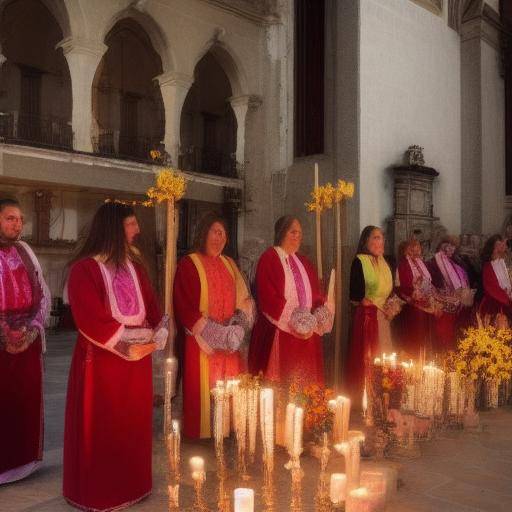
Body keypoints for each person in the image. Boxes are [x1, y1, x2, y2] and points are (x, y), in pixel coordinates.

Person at [63, 202, 168, 511]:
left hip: (137, 365)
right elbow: (89, 317)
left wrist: (160, 329)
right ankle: (101, 492)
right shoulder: (85, 269)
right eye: (131, 224)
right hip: (103, 361)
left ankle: (133, 483)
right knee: (104, 428)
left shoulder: (136, 268)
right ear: (114, 228)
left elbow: (152, 307)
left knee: (132, 425)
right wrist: (126, 342)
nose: (137, 230)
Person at [173, 212, 254, 439]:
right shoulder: (189, 263)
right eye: (214, 232)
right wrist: (215, 333)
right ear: (203, 233)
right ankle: (203, 434)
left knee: (230, 388)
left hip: (229, 343)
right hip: (201, 342)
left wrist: (237, 328)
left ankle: (227, 429)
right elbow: (183, 304)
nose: (219, 237)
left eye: (223, 233)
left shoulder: (229, 264)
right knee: (203, 390)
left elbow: (244, 299)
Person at [248, 215, 333, 387]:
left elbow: (316, 295)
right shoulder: (270, 257)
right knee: (282, 385)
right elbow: (267, 295)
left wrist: (319, 311)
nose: (297, 236)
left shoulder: (303, 262)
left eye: (300, 233)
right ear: (281, 232)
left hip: (307, 334)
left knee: (305, 386)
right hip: (280, 330)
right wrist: (295, 322)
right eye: (293, 232)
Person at [0, 198, 50, 485]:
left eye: (19, 218)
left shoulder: (26, 250)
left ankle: (23, 462)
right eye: (9, 218)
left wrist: (32, 327)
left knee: (24, 403)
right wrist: (4, 334)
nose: (16, 223)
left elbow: (42, 291)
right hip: (1, 342)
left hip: (27, 341)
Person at [346, 226, 395, 398]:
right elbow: (355, 293)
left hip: (383, 315)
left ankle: (384, 393)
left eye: (381, 238)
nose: (379, 241)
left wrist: (392, 305)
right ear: (365, 241)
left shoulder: (384, 261)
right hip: (367, 316)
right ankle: (366, 395)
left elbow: (390, 290)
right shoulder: (359, 261)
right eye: (375, 237)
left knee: (385, 354)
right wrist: (366, 302)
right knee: (368, 355)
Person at [427, 236, 473, 352]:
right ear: (441, 245)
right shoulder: (433, 262)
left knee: (450, 337)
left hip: (456, 306)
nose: (451, 248)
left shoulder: (456, 262)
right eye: (448, 245)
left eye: (453, 246)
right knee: (442, 336)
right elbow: (431, 283)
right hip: (441, 306)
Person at [395, 239, 439, 358]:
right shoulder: (403, 264)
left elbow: (428, 281)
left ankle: (423, 359)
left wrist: (432, 296)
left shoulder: (420, 262)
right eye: (412, 247)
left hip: (425, 304)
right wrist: (415, 293)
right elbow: (402, 287)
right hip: (413, 306)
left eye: (418, 246)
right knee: (415, 337)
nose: (416, 249)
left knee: (425, 336)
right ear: (406, 250)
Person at [479, 234, 512, 327]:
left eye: (502, 245)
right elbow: (492, 288)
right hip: (494, 304)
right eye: (498, 244)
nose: (501, 247)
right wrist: (507, 299)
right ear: (492, 248)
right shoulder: (488, 266)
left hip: (507, 301)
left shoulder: (504, 264)